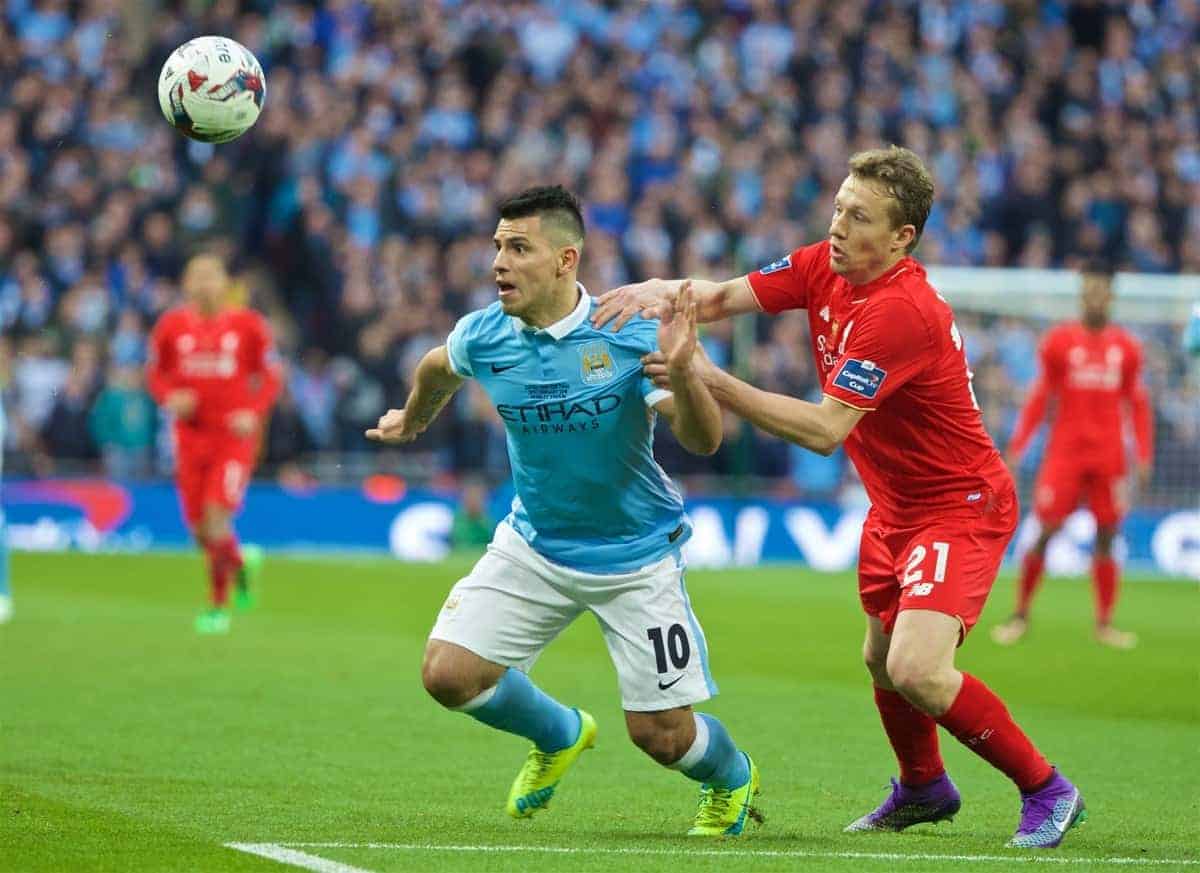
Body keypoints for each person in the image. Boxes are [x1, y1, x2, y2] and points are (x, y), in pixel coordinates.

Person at [594, 147, 1085, 849]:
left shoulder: (901, 312)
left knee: (918, 667)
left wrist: (710, 378)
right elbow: (725, 296)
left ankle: (1048, 789)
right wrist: (662, 288)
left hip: (958, 504)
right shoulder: (824, 264)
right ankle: (923, 787)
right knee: (881, 657)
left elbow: (826, 430)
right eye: (838, 206)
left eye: (858, 216)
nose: (838, 224)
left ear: (900, 238)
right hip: (896, 506)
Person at [367, 186, 761, 836]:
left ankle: (732, 775)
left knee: (661, 736)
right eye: (496, 246)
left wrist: (688, 372)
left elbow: (704, 438)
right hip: (537, 544)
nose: (498, 262)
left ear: (565, 260)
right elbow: (438, 367)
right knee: (448, 673)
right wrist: (412, 420)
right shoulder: (485, 334)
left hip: (635, 556)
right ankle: (561, 733)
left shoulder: (630, 332)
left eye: (518, 248)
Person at [992, 273, 1153, 650]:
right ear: (1082, 296)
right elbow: (1041, 395)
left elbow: (1138, 404)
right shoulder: (1060, 342)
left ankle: (1105, 623)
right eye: (1089, 292)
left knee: (1107, 535)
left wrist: (1142, 454)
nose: (1094, 299)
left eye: (1101, 292)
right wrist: (1019, 444)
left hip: (1109, 457)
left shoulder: (1126, 347)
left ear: (1110, 296)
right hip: (1064, 455)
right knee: (1044, 532)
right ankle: (1019, 615)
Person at [147, 253, 280, 634]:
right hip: (189, 439)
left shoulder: (249, 325)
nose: (204, 284)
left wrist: (252, 411)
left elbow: (270, 376)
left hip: (232, 439)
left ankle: (217, 606)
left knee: (215, 518)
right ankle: (240, 562)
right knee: (199, 530)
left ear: (225, 283)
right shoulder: (171, 327)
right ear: (186, 284)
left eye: (211, 276)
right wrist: (169, 397)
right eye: (197, 277)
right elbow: (156, 374)